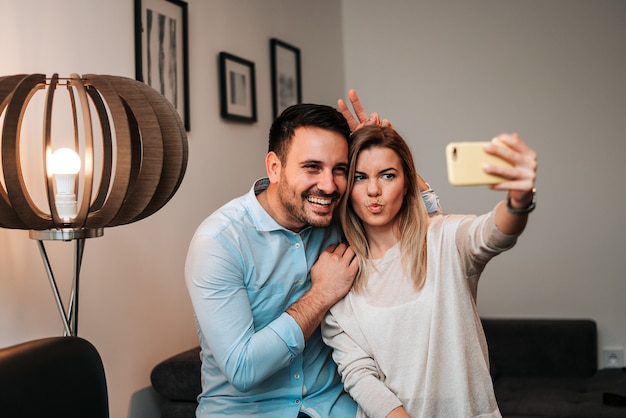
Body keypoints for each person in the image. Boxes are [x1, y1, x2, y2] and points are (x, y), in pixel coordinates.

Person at [185, 96, 441, 417]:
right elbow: (243, 369)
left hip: (335, 406)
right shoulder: (219, 243)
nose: (329, 185)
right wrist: (321, 294)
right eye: (312, 167)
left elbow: (430, 237)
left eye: (340, 170)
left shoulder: (342, 217)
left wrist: (385, 151)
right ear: (274, 167)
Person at [321, 123, 537, 418]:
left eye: (388, 175)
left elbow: (492, 233)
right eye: (360, 177)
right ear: (347, 189)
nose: (374, 190)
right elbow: (358, 373)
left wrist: (519, 200)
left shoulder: (443, 239)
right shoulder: (338, 272)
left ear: (408, 183)